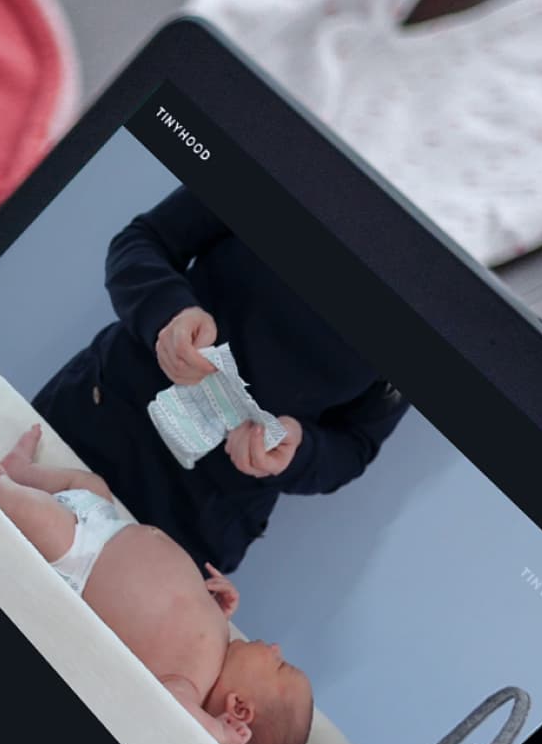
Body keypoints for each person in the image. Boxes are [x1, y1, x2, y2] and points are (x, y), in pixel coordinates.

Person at [32, 184, 407, 574]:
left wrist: (300, 451)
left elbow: (356, 445)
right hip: (97, 422)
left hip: (198, 521)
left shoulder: (433, 307)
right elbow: (145, 240)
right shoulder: (290, 166)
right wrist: (168, 315)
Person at [0, 427, 314, 744]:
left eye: (279, 665)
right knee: (91, 484)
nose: (275, 648)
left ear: (239, 708)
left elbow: (174, 711)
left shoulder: (189, 683)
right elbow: (182, 607)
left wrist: (216, 731)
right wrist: (217, 605)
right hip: (106, 522)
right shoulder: (218, 639)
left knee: (38, 516)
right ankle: (23, 471)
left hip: (80, 557)